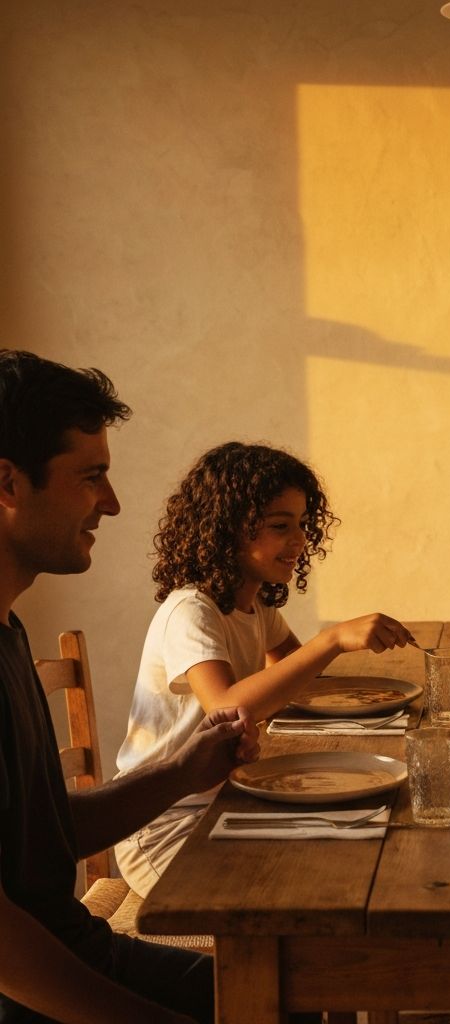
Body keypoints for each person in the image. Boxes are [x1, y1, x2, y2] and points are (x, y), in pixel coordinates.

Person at [0, 349, 259, 1024]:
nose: (112, 504)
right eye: (91, 477)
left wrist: (181, 770)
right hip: (31, 997)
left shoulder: (9, 630)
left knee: (293, 995)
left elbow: (48, 831)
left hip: (79, 950)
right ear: (8, 483)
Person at [114, 441, 415, 896]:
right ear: (226, 530)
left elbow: (300, 683)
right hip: (166, 825)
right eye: (280, 526)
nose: (300, 540)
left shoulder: (254, 606)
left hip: (229, 801)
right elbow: (225, 709)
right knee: (297, 889)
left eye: (302, 524)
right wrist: (331, 639)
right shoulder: (191, 611)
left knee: (359, 854)